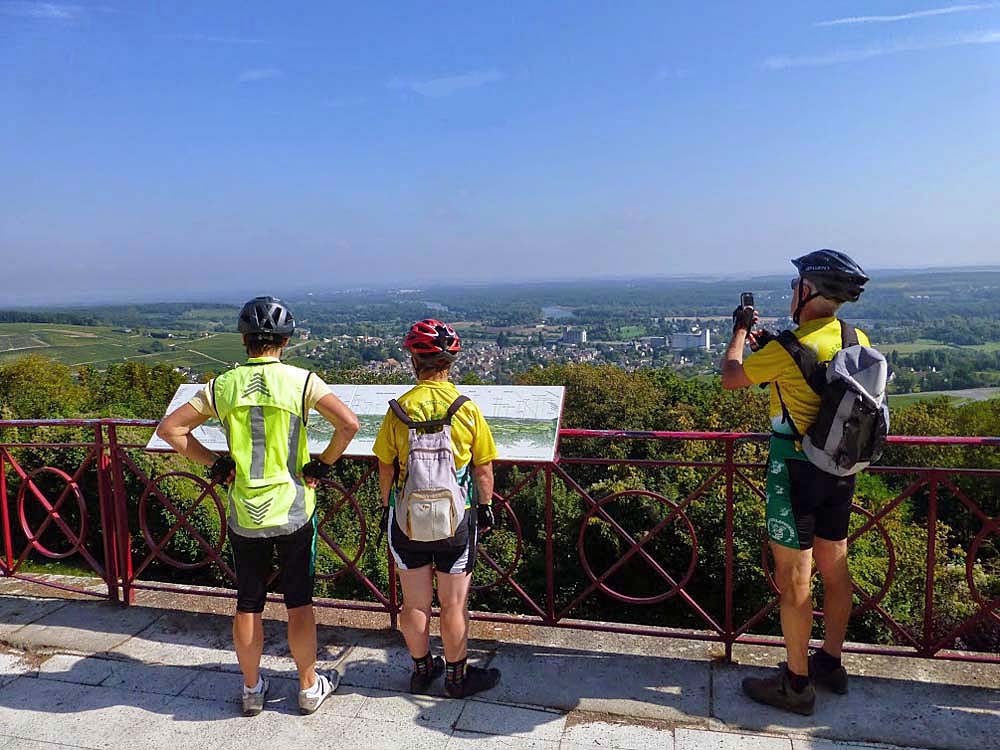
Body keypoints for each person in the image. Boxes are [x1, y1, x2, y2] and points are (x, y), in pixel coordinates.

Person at [156, 296, 359, 717]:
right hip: (293, 509)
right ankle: (307, 687)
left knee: (248, 601)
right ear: (285, 340)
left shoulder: (223, 385)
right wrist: (322, 464)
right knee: (299, 602)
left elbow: (171, 429)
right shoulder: (302, 381)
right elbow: (348, 424)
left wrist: (215, 463)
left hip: (244, 512)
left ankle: (251, 689)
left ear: (245, 339)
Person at [721, 250, 871, 715]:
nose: (791, 293)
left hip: (793, 468)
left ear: (808, 291)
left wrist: (741, 334)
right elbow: (818, 374)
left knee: (795, 580)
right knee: (835, 566)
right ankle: (830, 663)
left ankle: (796, 683)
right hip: (840, 469)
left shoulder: (785, 349)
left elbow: (731, 378)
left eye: (794, 286)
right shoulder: (854, 337)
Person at [372, 319, 501, 698]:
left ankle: (422, 669)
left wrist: (384, 506)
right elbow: (483, 466)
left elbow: (385, 465)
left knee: (414, 604)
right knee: (453, 604)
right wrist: (487, 505)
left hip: (407, 521)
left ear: (414, 360)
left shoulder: (398, 410)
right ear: (450, 362)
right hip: (455, 523)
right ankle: (458, 678)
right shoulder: (466, 409)